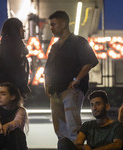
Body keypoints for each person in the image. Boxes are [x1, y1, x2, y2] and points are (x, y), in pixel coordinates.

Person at [44, 10, 98, 141]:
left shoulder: (78, 41)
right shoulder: (55, 46)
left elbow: (90, 61)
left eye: (53, 24)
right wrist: (46, 86)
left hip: (71, 90)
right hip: (55, 91)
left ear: (63, 24)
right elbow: (48, 68)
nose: (51, 28)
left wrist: (76, 80)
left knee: (73, 128)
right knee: (60, 130)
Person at [58, 90, 123, 150]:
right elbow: (78, 143)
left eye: (98, 104)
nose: (94, 108)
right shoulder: (87, 125)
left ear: (107, 106)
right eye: (92, 105)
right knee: (63, 142)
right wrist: (83, 147)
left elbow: (117, 145)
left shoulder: (117, 126)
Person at [0, 18, 30, 104]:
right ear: (15, 30)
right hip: (9, 90)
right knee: (11, 115)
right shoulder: (11, 44)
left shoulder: (6, 43)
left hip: (6, 89)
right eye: (21, 28)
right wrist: (23, 86)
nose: (24, 31)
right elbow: (13, 67)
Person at [0, 82, 28, 150]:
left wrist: (8, 126)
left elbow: (18, 121)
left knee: (17, 133)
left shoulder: (20, 110)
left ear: (12, 97)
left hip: (13, 140)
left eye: (3, 94)